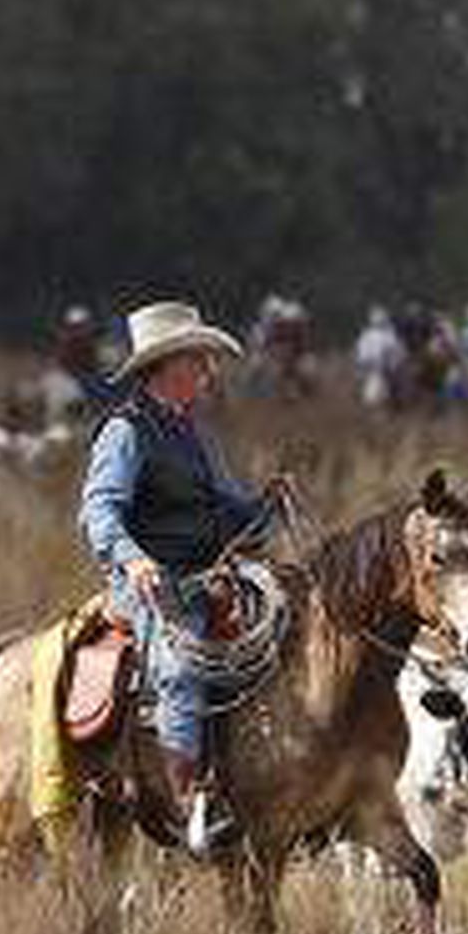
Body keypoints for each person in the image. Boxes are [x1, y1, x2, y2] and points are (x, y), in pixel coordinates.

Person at [78, 298, 282, 856]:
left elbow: (229, 508)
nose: (209, 372)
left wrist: (266, 506)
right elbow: (99, 510)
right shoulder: (126, 431)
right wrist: (133, 558)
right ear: (167, 367)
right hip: (149, 584)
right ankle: (188, 800)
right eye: (199, 360)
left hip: (207, 577)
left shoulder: (193, 433)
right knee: (184, 665)